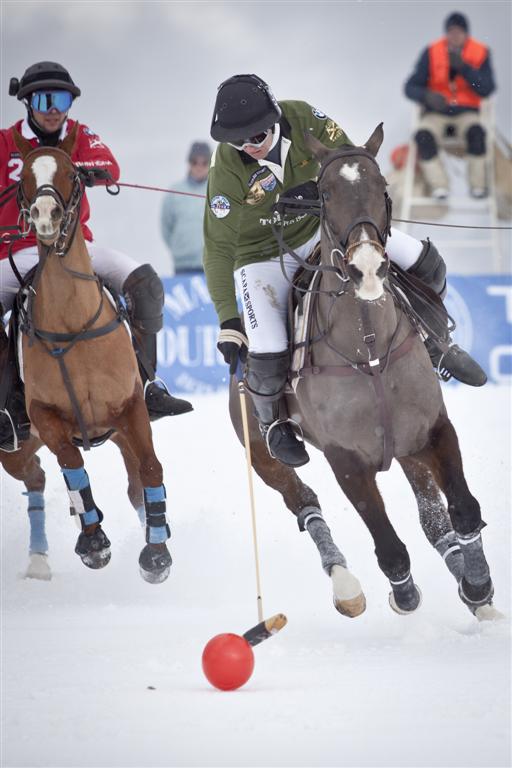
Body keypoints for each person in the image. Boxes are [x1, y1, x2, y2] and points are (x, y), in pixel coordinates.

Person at [203, 73, 487, 469]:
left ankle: (439, 345)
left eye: (257, 136)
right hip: (262, 256)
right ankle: (274, 425)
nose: (250, 147)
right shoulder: (226, 169)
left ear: (275, 118)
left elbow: (353, 162)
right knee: (266, 350)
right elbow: (217, 248)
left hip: (327, 233)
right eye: (239, 142)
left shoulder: (303, 117)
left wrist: (320, 188)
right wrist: (228, 319)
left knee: (426, 264)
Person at [0, 61, 192, 452]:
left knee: (144, 281)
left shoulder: (78, 135)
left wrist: (84, 171)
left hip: (76, 249)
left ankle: (148, 383)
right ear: (27, 103)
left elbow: (110, 166)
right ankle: (9, 403)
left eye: (63, 99)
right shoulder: (5, 142)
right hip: (18, 253)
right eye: (45, 99)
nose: (55, 109)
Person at [404, 11, 496, 200]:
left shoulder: (481, 53)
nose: (455, 36)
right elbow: (410, 87)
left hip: (467, 114)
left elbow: (486, 88)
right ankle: (439, 185)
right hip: (436, 113)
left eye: (459, 32)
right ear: (446, 33)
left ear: (466, 33)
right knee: (422, 136)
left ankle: (478, 186)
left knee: (477, 133)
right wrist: (427, 96)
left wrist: (465, 68)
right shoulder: (431, 52)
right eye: (451, 31)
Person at [160, 141, 211, 273]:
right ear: (189, 163)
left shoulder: (218, 191)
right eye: (195, 162)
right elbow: (166, 226)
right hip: (183, 266)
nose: (199, 167)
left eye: (204, 162)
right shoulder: (175, 192)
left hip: (212, 265)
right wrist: (178, 248)